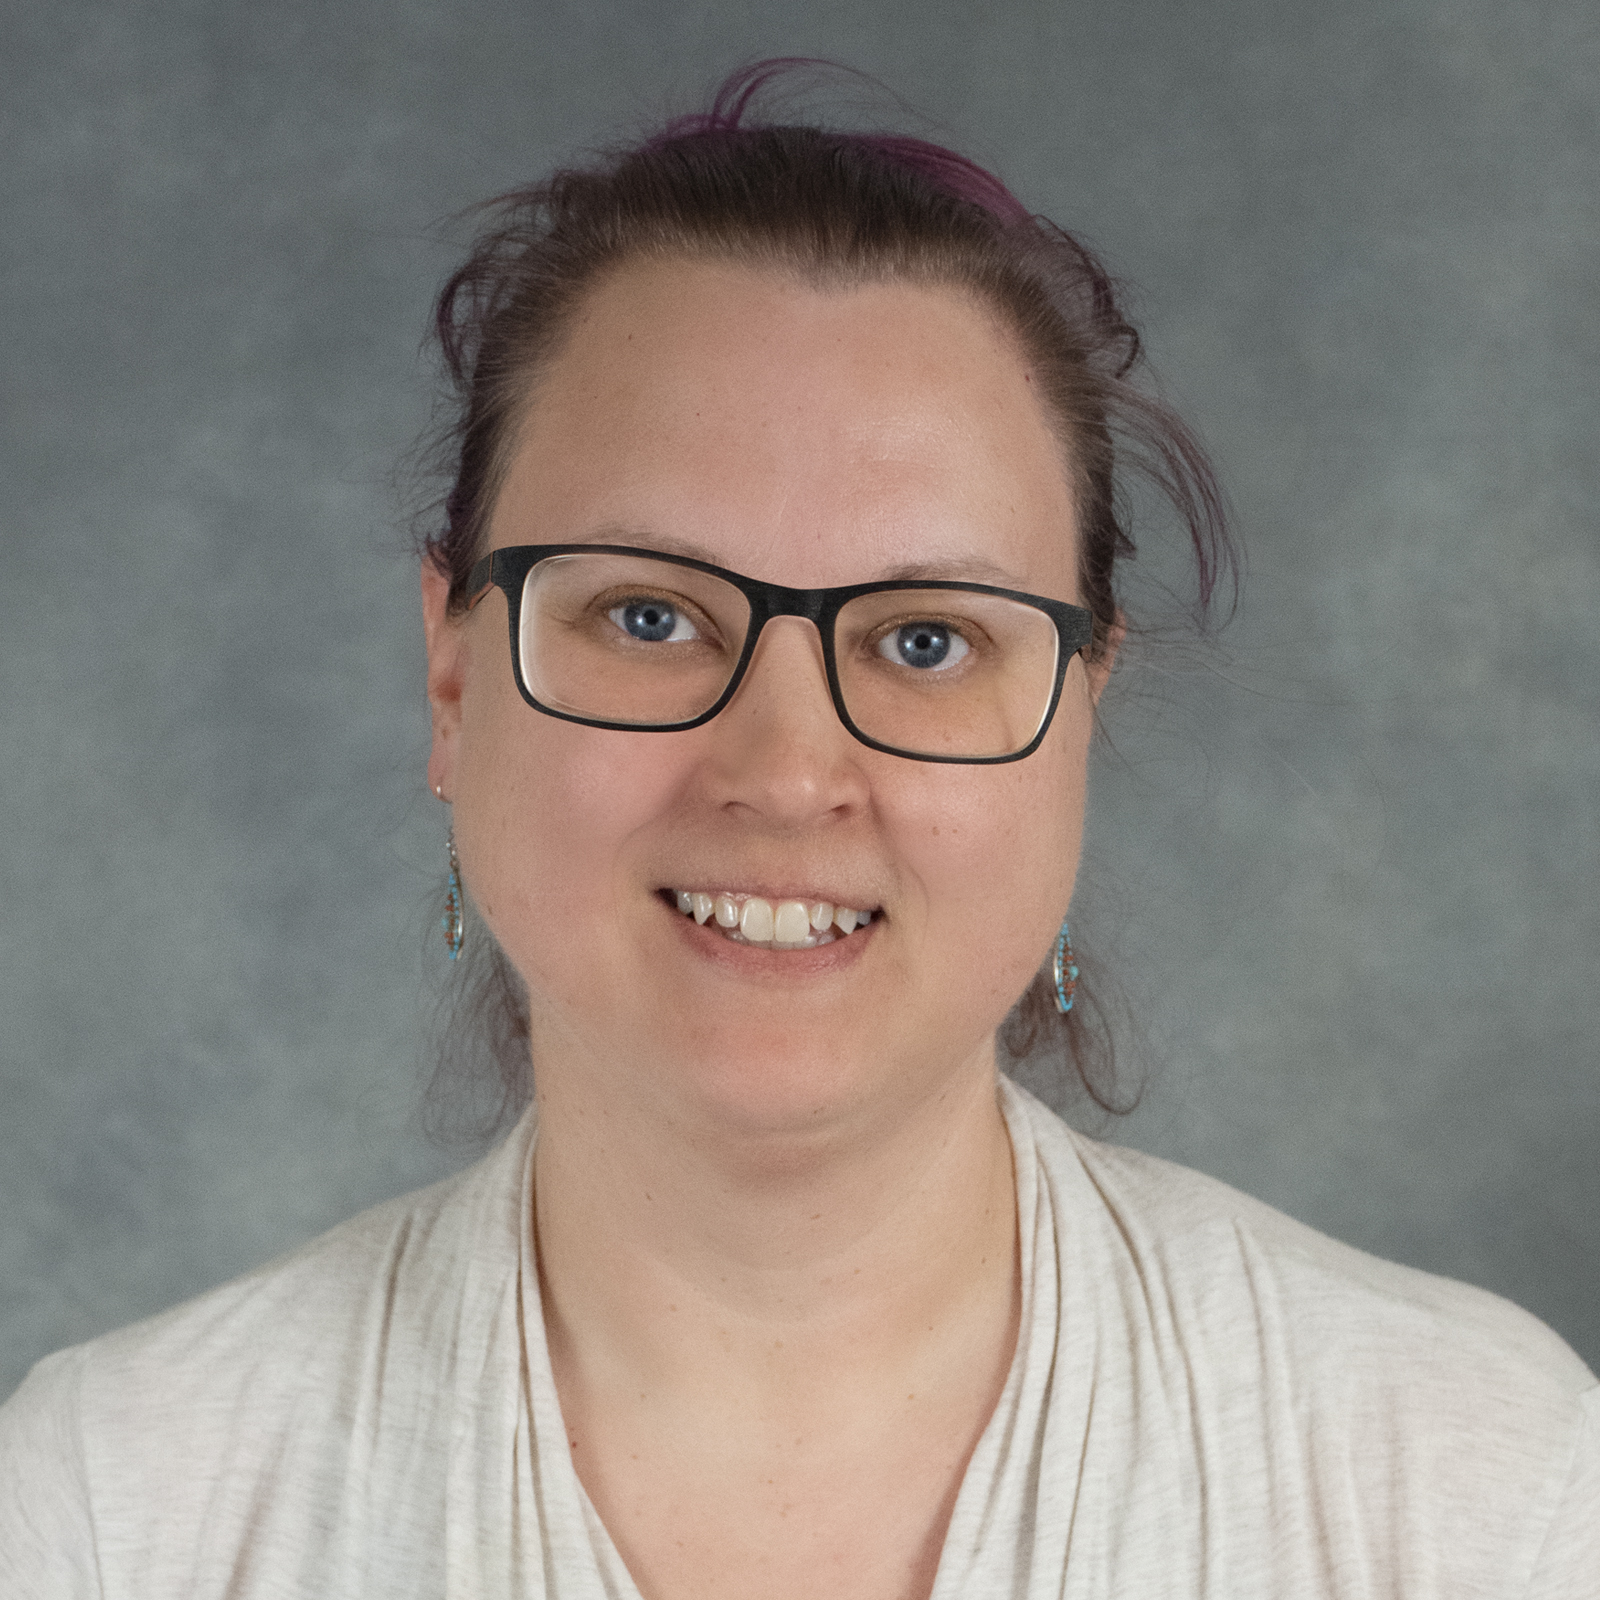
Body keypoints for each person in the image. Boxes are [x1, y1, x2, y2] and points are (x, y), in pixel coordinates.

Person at [1, 62, 1595, 1600]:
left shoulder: (1479, 1489)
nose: (784, 767)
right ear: (452, 674)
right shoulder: (109, 1512)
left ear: (1080, 708)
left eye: (923, 639)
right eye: (647, 614)